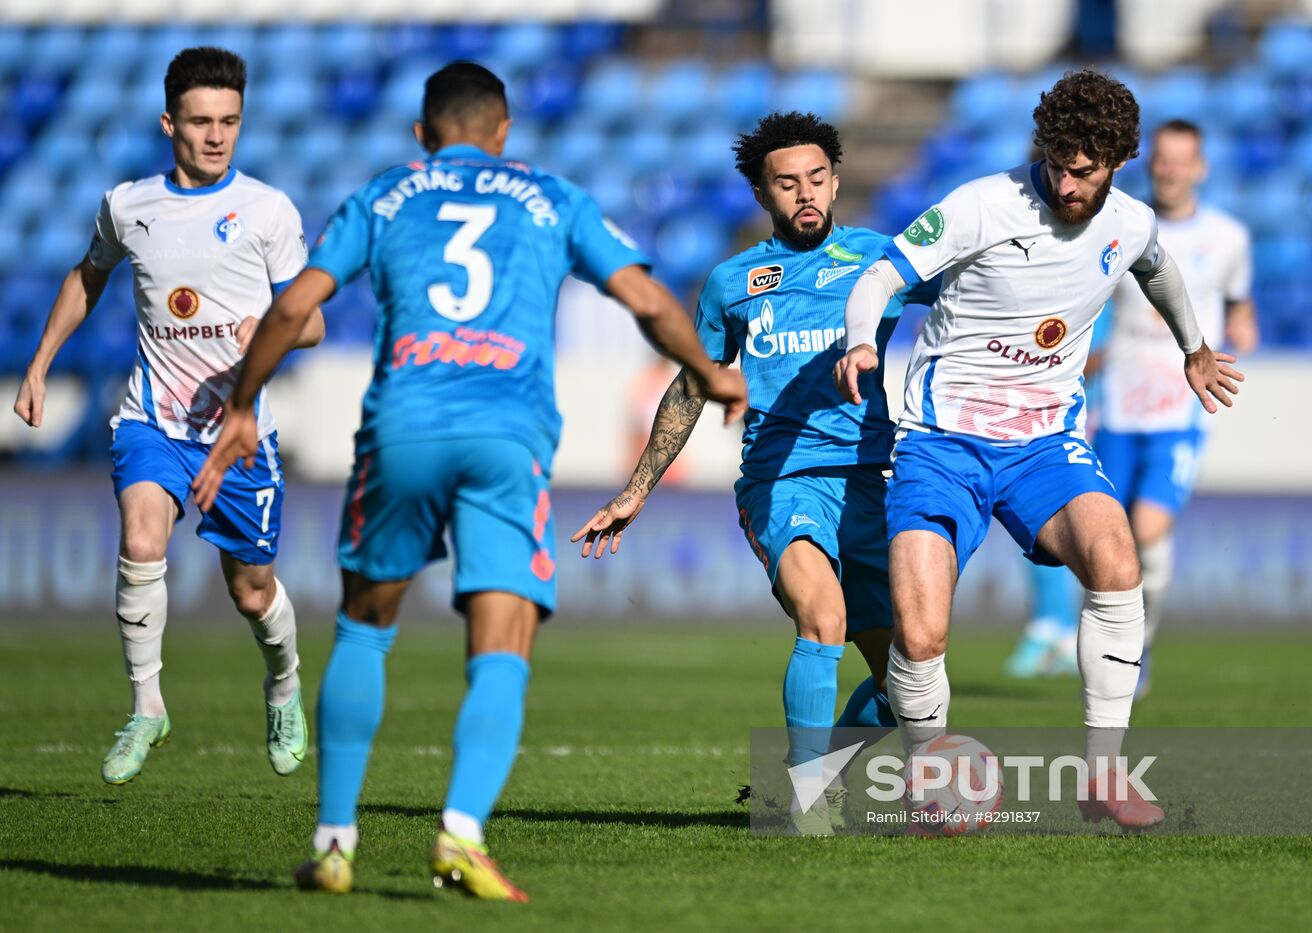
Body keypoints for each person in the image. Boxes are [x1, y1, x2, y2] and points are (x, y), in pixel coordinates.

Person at [192, 61, 746, 900]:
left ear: (422, 135)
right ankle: (460, 834)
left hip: (402, 427)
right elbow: (647, 301)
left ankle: (335, 842)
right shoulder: (553, 198)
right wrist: (711, 368)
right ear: (504, 131)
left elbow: (291, 307)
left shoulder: (384, 195)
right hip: (505, 437)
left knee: (366, 625)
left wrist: (240, 406)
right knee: (503, 639)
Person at [834, 69, 1244, 829]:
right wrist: (863, 341)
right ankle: (930, 768)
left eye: (1082, 169)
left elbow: (1158, 268)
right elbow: (879, 278)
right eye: (1055, 161)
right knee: (920, 633)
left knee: (1117, 562)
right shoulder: (980, 205)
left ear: (1117, 161)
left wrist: (1195, 346)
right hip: (940, 445)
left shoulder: (1129, 221)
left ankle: (1103, 772)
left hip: (1045, 446)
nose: (1064, 180)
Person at [573, 111, 938, 835]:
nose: (804, 193)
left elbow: (975, 295)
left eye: (815, 178)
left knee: (909, 676)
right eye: (785, 183)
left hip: (873, 478)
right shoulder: (733, 282)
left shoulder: (880, 261)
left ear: (835, 181)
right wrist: (637, 487)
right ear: (762, 193)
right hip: (781, 478)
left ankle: (814, 767)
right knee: (821, 618)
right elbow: (690, 385)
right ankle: (808, 806)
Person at [12, 47, 322, 785]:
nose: (216, 137)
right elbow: (87, 278)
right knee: (142, 537)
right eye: (200, 122)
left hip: (239, 430)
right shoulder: (129, 206)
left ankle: (283, 684)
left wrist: (271, 328)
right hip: (152, 418)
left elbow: (310, 323)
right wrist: (40, 361)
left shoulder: (268, 210)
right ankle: (147, 706)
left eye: (229, 122)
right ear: (168, 123)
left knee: (249, 589)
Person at [1094, 118, 1255, 698]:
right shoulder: (1121, 225)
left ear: (1199, 168)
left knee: (1147, 528)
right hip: (1115, 405)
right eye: (1161, 159)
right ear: (1151, 163)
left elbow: (1239, 301)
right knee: (1109, 540)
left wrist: (1242, 325)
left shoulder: (1229, 237)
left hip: (1178, 408)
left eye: (1181, 160)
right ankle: (1115, 644)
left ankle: (1139, 646)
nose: (1170, 169)